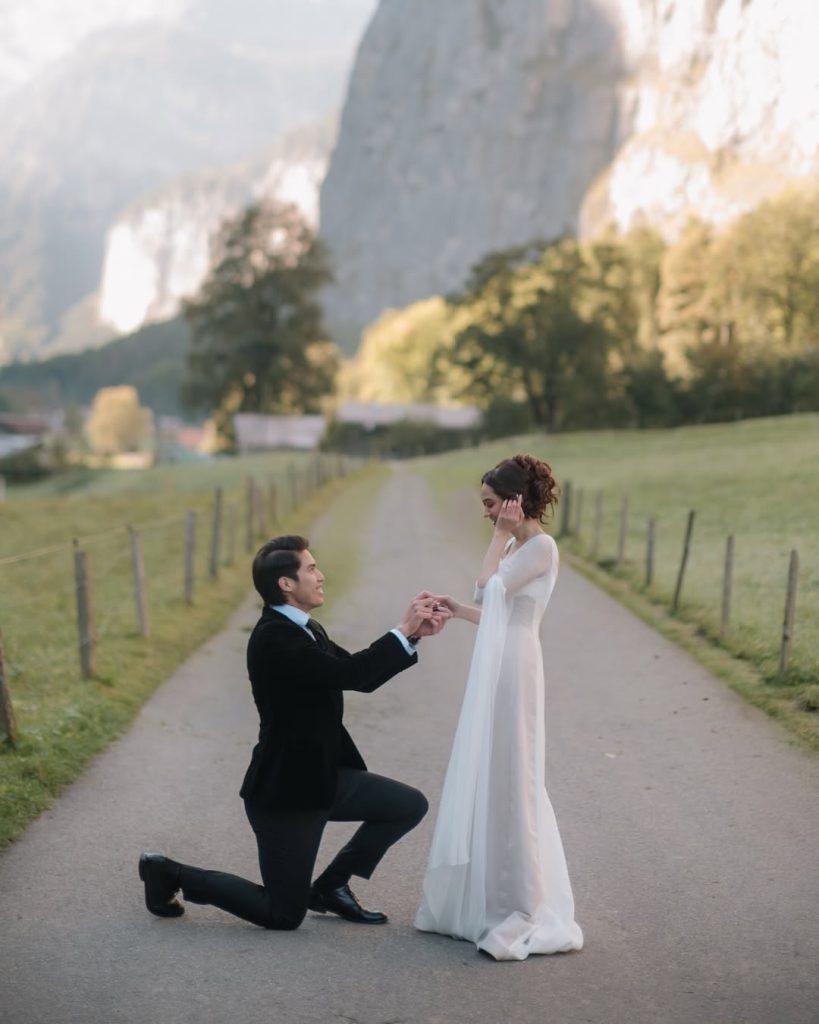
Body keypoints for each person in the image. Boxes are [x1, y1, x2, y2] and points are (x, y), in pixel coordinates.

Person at [139, 534, 448, 930]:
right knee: (282, 914)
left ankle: (330, 887)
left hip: (322, 778)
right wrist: (404, 626)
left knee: (408, 805)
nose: (320, 576)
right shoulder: (274, 638)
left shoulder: (304, 628)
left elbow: (358, 672)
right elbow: (350, 675)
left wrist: (413, 633)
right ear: (286, 584)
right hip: (286, 793)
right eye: (312, 569)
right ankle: (170, 874)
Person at [415, 454, 583, 961]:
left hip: (516, 667)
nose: (486, 513)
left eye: (491, 504)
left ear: (514, 501)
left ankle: (522, 904)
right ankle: (490, 895)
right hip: (502, 658)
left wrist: (496, 539)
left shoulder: (539, 546)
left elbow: (490, 586)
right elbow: (489, 606)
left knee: (515, 775)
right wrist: (454, 608)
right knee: (497, 773)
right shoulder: (518, 545)